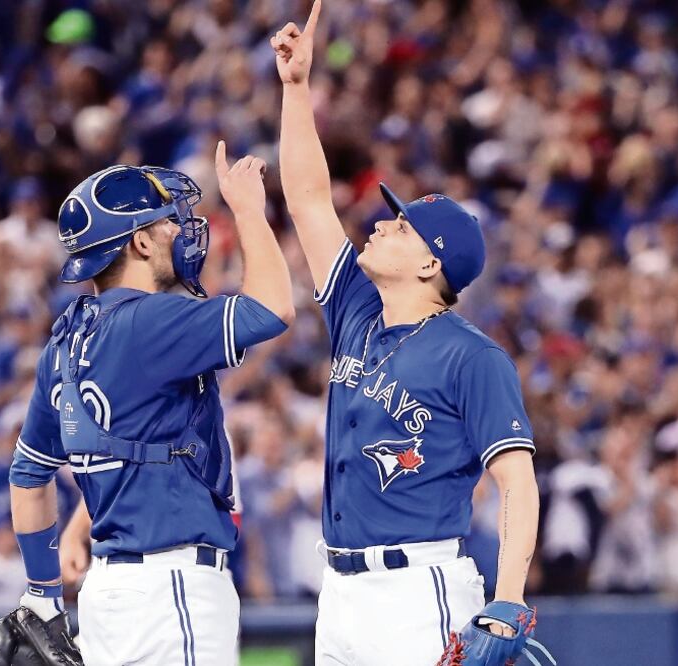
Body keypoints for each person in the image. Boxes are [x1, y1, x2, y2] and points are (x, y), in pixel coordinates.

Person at [270, 3, 546, 664]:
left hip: (418, 594)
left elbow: (517, 482)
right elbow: (309, 199)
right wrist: (297, 91)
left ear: (431, 264)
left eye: (400, 227)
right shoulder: (356, 310)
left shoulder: (471, 357)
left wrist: (507, 600)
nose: (381, 224)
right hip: (337, 593)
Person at [0, 146, 294, 666]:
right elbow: (273, 307)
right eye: (167, 223)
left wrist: (42, 595)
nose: (182, 231)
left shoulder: (65, 341)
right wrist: (247, 210)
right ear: (138, 241)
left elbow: (29, 476)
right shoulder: (151, 321)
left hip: (108, 595)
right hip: (171, 590)